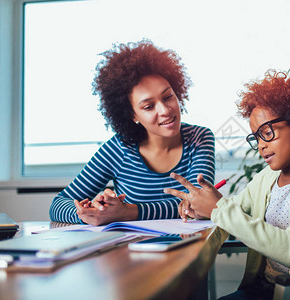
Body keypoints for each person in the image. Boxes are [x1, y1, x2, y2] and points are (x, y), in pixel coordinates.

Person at [165, 71, 290, 300]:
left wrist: (219, 209)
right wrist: (201, 210)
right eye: (256, 137)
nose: (261, 146)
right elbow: (232, 211)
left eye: (267, 132)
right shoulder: (266, 178)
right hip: (263, 291)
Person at [49, 39, 215, 225]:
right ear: (132, 115)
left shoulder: (200, 138)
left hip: (187, 249)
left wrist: (126, 212)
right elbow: (58, 205)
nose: (165, 110)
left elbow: (197, 203)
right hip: (131, 251)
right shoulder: (119, 148)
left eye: (168, 97)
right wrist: (91, 213)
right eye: (148, 106)